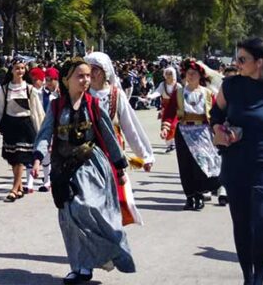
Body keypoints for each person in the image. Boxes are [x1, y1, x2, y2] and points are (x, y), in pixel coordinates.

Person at [33, 58, 135, 284]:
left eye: (88, 76)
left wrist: (119, 166)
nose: (86, 80)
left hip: (90, 165)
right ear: (66, 80)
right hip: (63, 167)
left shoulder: (94, 105)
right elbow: (44, 134)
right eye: (80, 76)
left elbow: (108, 136)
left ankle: (113, 248)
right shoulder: (56, 106)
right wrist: (38, 159)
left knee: (85, 206)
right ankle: (80, 267)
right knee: (68, 218)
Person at [210, 37, 263, 285]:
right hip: (236, 163)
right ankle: (248, 278)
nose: (236, 63)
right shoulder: (230, 85)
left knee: (262, 220)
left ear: (258, 62)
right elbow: (216, 112)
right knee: (242, 223)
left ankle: (258, 280)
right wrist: (217, 128)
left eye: (242, 59)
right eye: (236, 59)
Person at [85, 52, 154, 225]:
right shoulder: (81, 94)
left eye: (96, 70)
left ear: (106, 72)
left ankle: (111, 234)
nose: (91, 74)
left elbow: (131, 129)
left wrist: (144, 156)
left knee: (113, 197)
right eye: (88, 69)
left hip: (111, 153)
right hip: (85, 153)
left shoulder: (116, 95)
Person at [159, 58, 221, 211]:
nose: (191, 76)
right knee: (185, 166)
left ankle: (199, 195)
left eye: (194, 74)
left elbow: (215, 114)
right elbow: (170, 113)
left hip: (202, 133)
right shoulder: (179, 93)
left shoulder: (207, 94)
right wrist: (166, 127)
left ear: (200, 76)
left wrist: (219, 129)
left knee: (200, 166)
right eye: (188, 73)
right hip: (183, 132)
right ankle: (189, 197)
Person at [0, 59, 45, 202]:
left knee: (20, 158)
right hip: (10, 126)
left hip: (25, 126)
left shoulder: (30, 89)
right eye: (17, 68)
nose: (20, 71)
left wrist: (42, 132)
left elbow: (37, 112)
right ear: (12, 70)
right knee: (13, 159)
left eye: (22, 68)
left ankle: (13, 189)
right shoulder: (5, 89)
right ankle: (19, 188)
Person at [154, 66, 180, 153]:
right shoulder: (162, 84)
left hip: (176, 109)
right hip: (165, 109)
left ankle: (173, 143)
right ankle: (170, 144)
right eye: (167, 74)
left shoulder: (178, 86)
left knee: (173, 126)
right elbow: (158, 92)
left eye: (171, 74)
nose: (169, 76)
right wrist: (150, 97)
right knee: (164, 126)